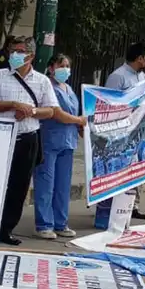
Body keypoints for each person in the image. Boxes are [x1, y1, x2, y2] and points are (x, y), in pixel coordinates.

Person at [0, 35, 59, 246]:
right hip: (1, 137)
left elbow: (50, 111)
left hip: (27, 139)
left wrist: (30, 110)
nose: (14, 55)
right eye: (12, 50)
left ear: (31, 56)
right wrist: (13, 105)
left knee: (19, 186)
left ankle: (6, 229)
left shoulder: (42, 81)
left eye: (19, 51)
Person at [33, 53, 86, 240]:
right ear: (51, 67)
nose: (65, 69)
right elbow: (57, 113)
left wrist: (80, 125)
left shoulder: (69, 89)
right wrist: (79, 120)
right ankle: (44, 224)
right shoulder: (48, 86)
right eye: (61, 65)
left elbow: (74, 112)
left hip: (68, 141)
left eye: (67, 65)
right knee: (46, 183)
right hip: (49, 140)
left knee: (63, 185)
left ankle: (60, 223)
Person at [103, 42, 145, 220]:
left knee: (136, 169)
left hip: (137, 131)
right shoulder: (118, 77)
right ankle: (112, 206)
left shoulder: (142, 76)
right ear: (139, 58)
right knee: (119, 169)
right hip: (120, 132)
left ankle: (132, 205)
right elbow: (108, 104)